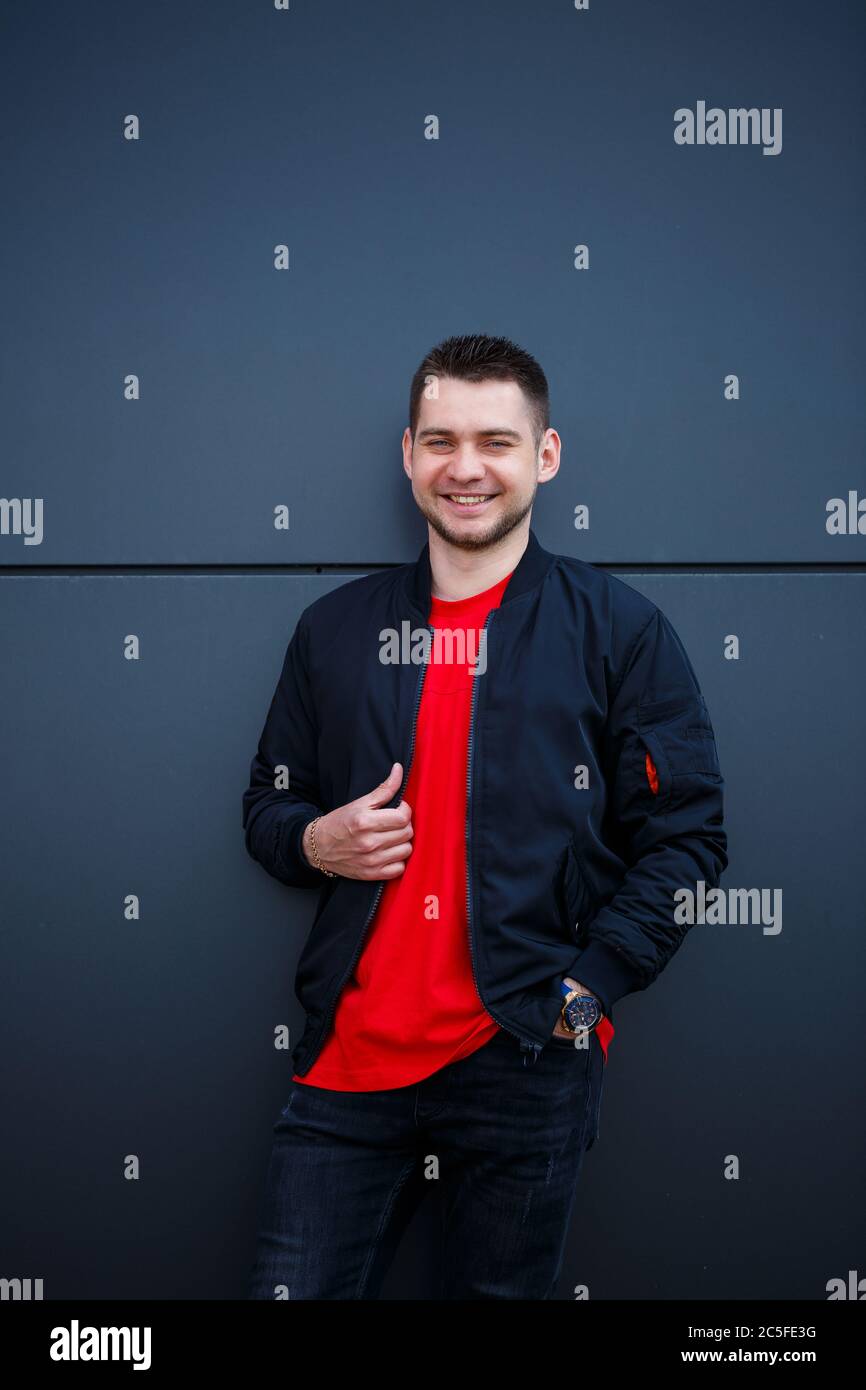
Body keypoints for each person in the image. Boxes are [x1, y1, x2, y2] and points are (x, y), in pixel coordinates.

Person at [242, 333, 727, 1299]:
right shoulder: (335, 629)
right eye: (442, 441)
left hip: (524, 1062)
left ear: (546, 457)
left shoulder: (618, 630)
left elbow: (689, 842)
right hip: (347, 1066)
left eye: (497, 442)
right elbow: (268, 805)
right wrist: (313, 841)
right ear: (410, 455)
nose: (467, 468)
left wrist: (585, 995)